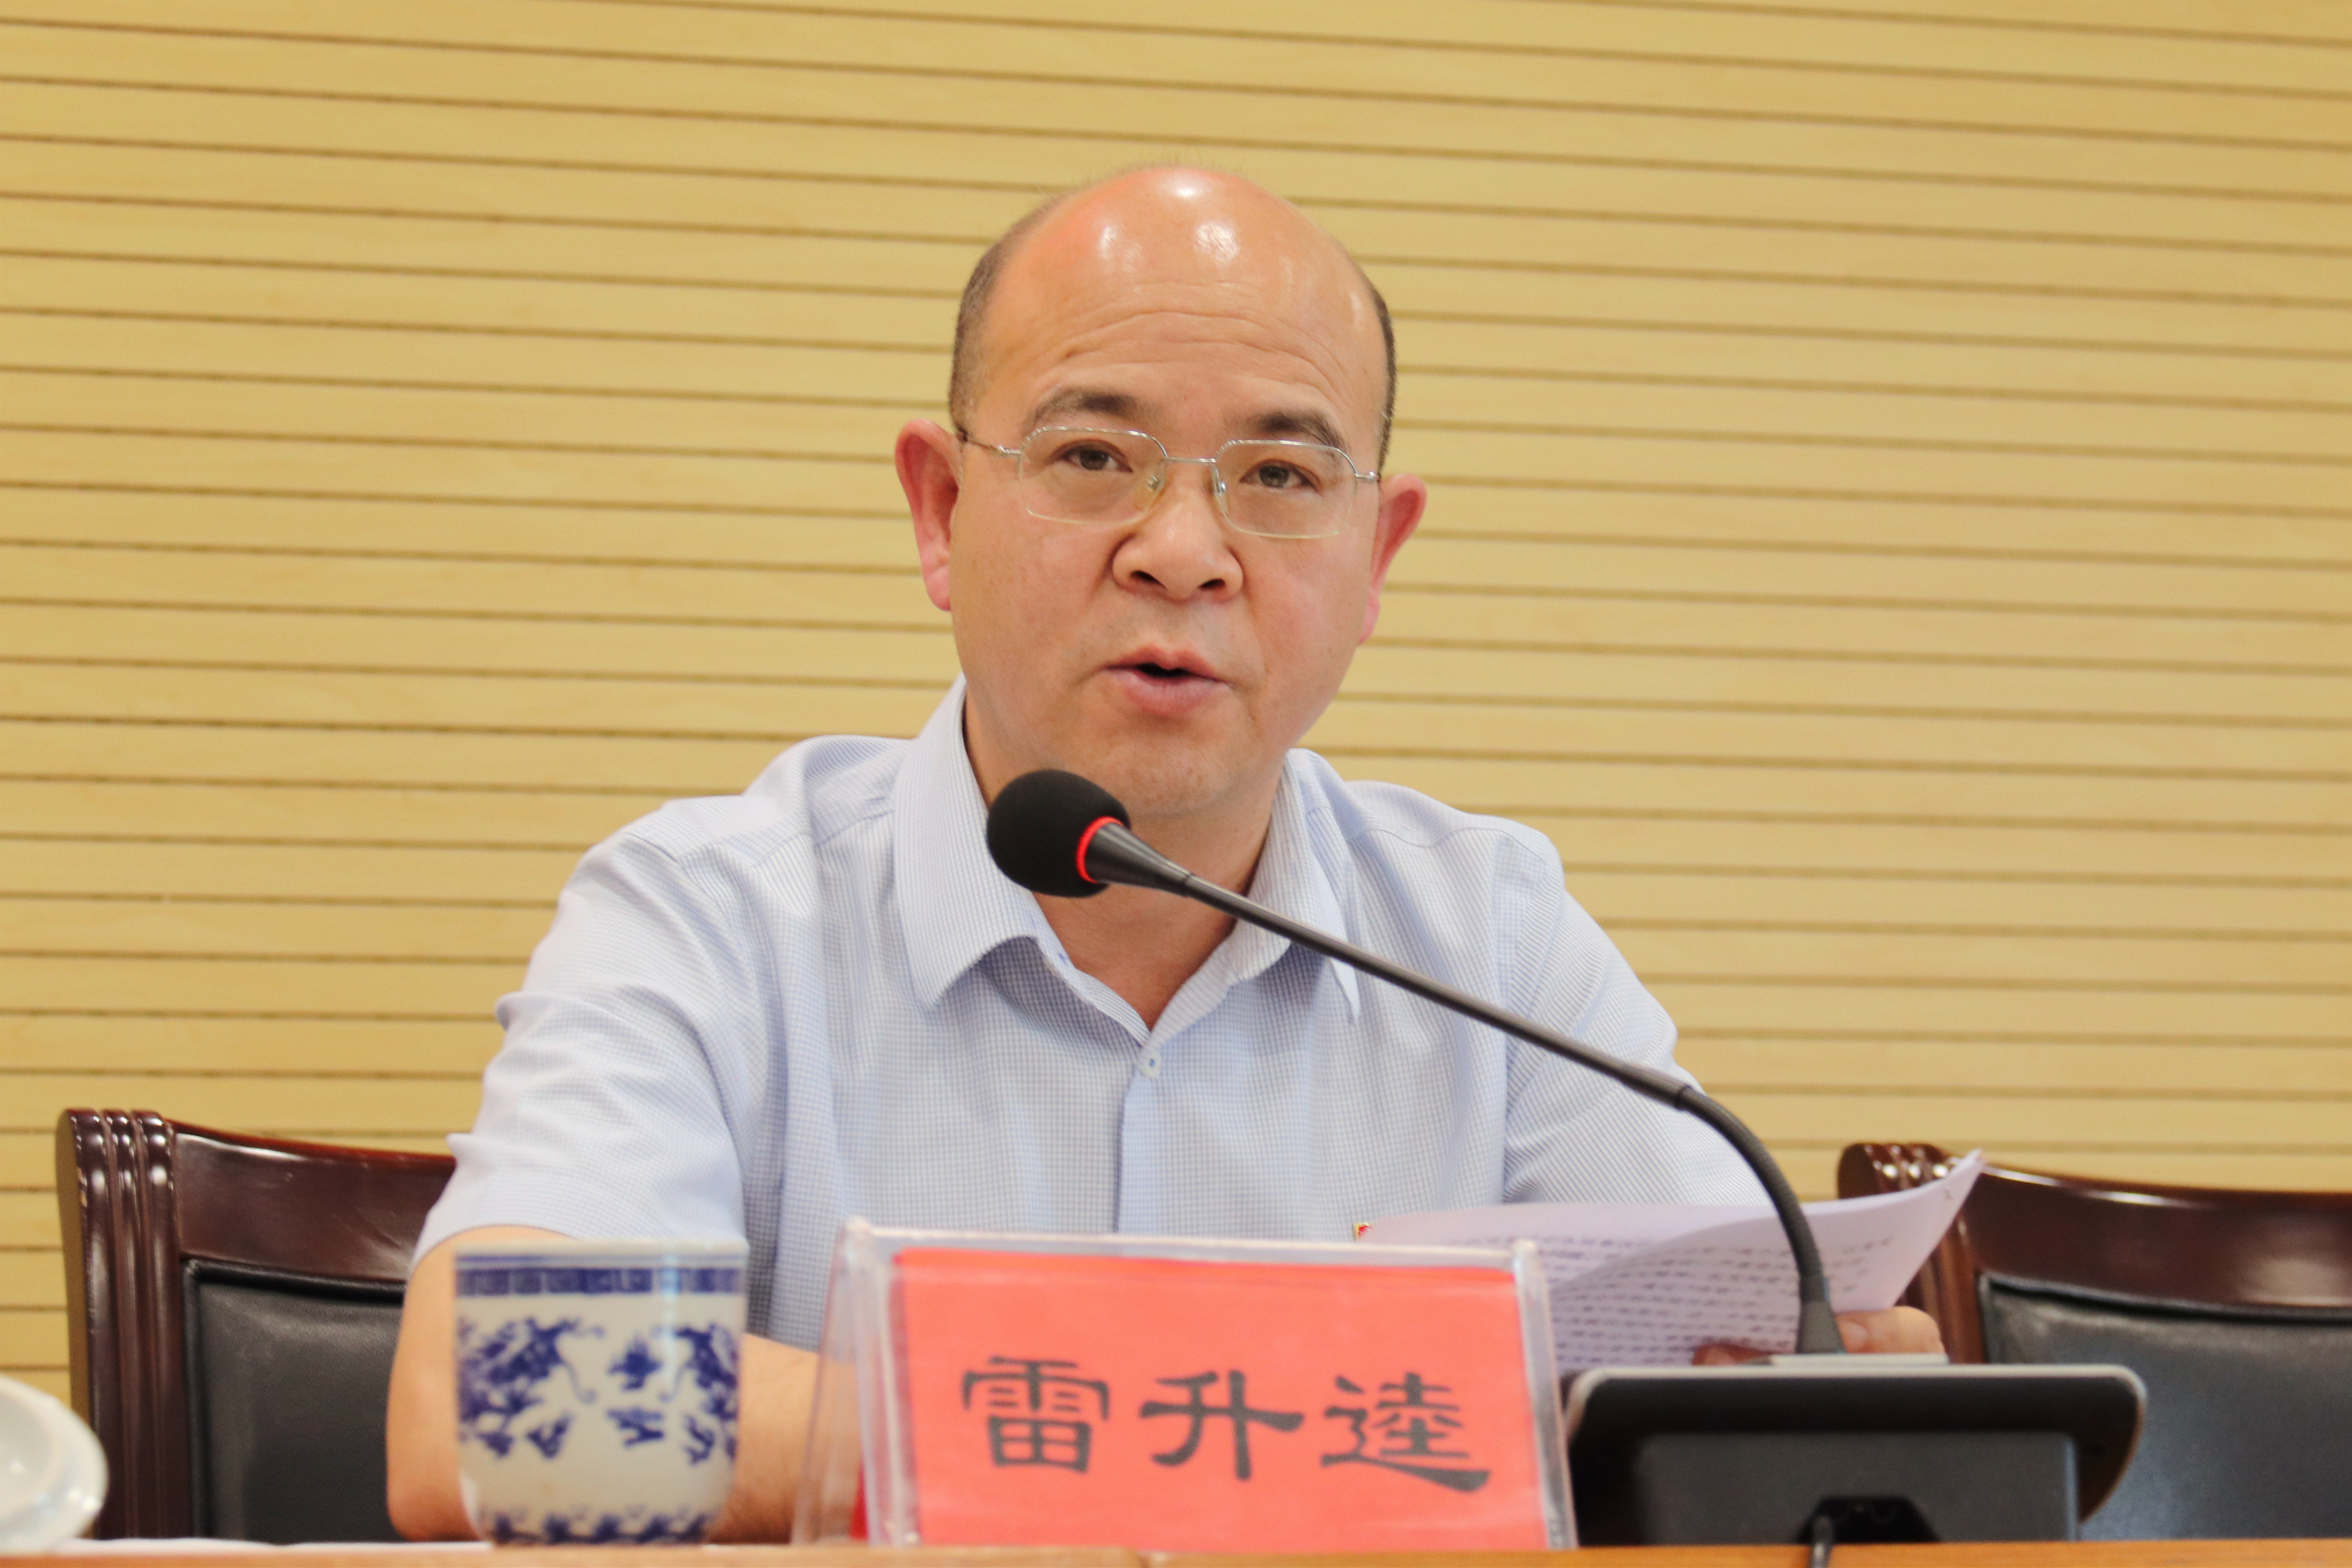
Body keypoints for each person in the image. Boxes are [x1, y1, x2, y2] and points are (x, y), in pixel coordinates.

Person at [385, 167, 1937, 1540]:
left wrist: (1816, 1393)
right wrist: (1191, 1438)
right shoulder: (712, 913)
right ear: (939, 510)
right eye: (1091, 456)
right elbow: (489, 1403)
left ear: (1377, 555)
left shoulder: (1492, 939)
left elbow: (1718, 1388)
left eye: (1279, 479)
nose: (1183, 552)